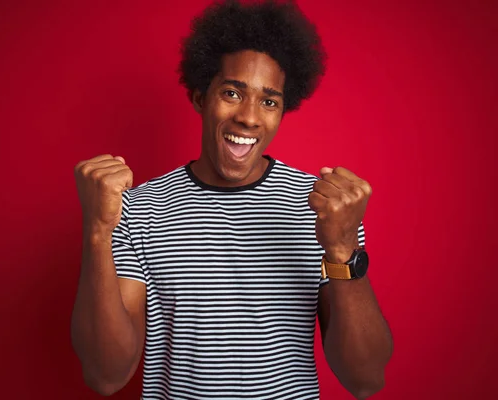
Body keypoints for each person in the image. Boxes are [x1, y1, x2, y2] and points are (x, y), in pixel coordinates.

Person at [71, 0, 393, 399]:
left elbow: (366, 379)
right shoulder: (138, 208)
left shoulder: (324, 210)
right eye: (232, 92)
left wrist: (343, 249)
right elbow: (106, 376)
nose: (250, 117)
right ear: (199, 98)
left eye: (269, 101)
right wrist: (98, 231)